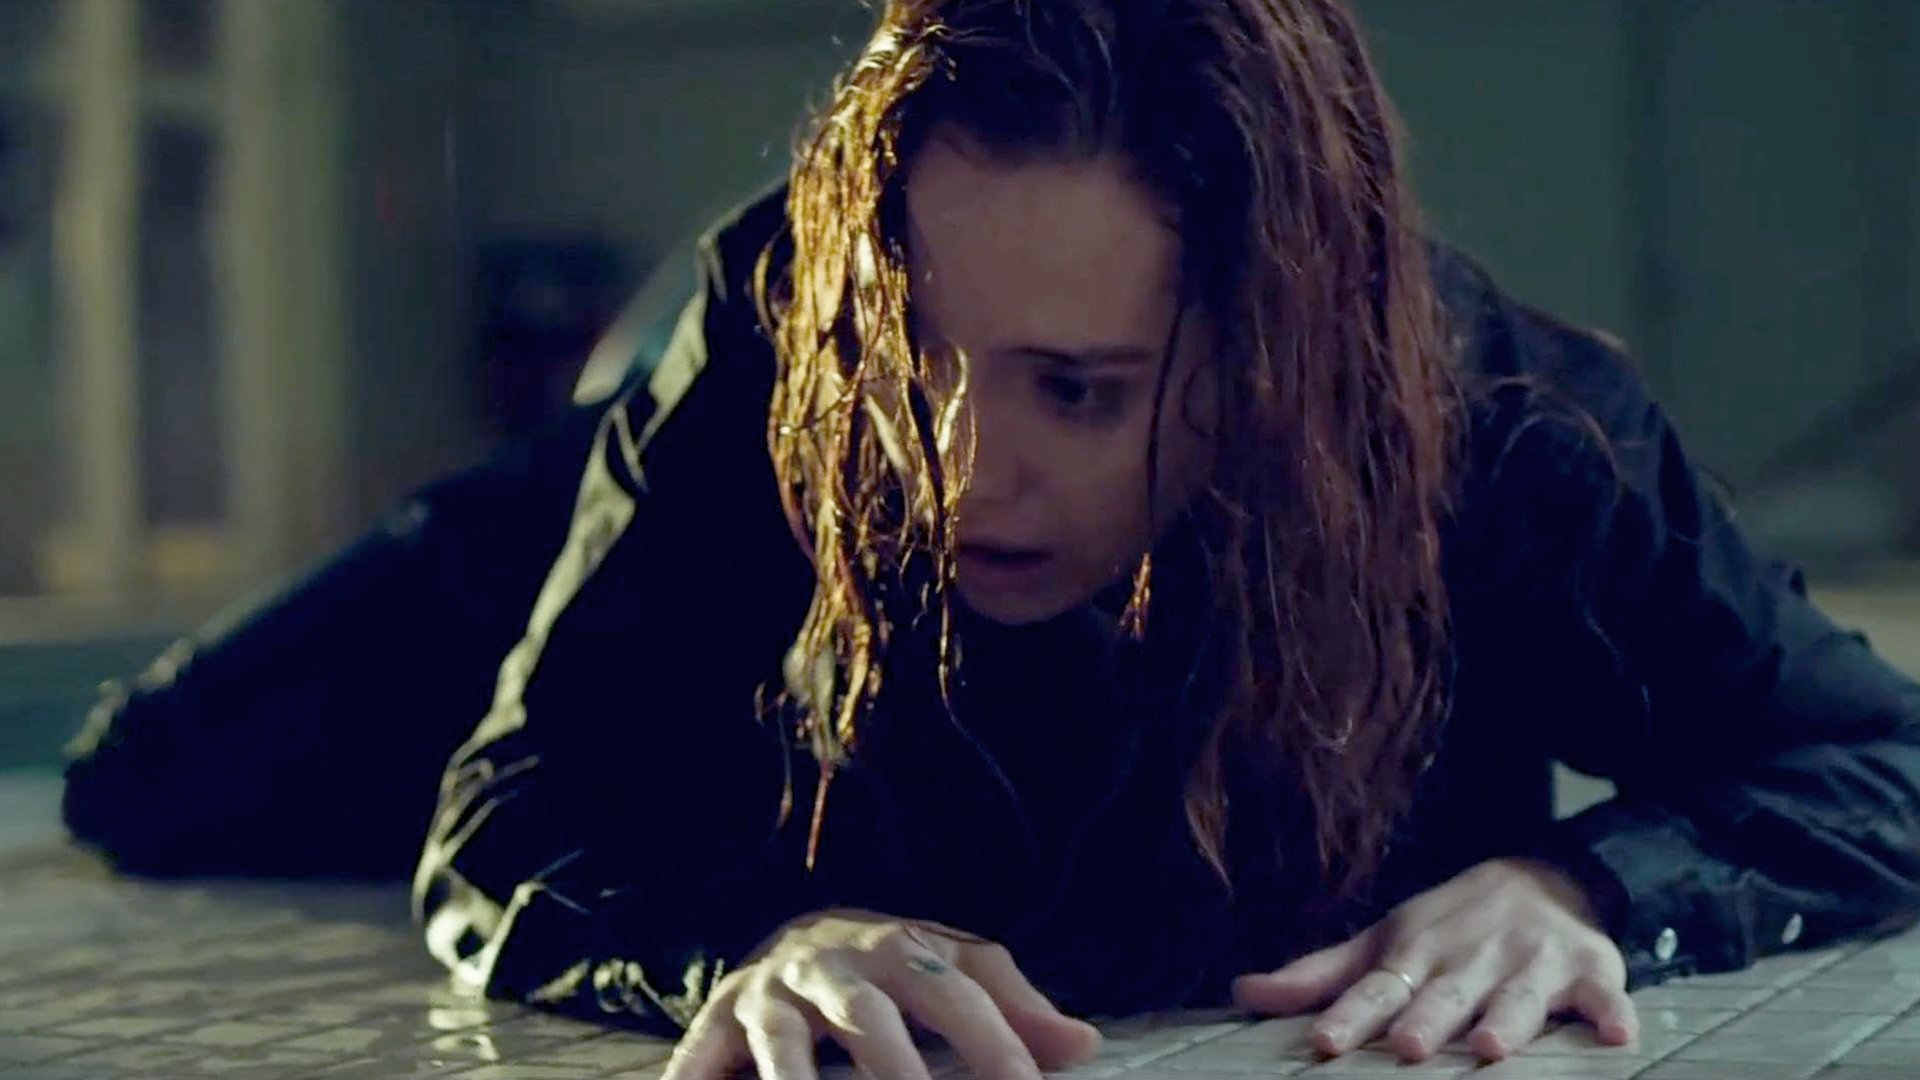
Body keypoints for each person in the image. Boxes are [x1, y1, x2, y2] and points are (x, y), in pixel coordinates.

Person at [61, 1, 1920, 1077]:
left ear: (1268, 361)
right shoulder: (781, 335)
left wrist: (1583, 885)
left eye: (1080, 390)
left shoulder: (1505, 429)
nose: (959, 479)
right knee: (151, 777)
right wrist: (745, 938)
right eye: (924, 370)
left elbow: (1870, 758)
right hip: (692, 469)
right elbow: (515, 805)